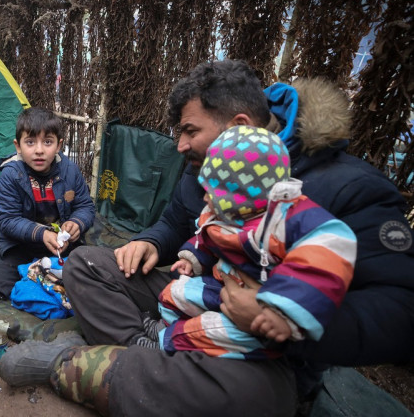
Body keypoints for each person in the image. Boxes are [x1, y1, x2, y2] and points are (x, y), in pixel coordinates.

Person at [0, 59, 414, 416]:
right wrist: (150, 243)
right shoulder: (204, 166)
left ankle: (75, 366)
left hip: (265, 351)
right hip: (197, 295)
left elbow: (400, 310)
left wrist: (279, 318)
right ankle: (146, 353)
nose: (179, 145)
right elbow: (175, 222)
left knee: (254, 399)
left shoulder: (349, 188)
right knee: (87, 263)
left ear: (238, 126)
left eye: (188, 131)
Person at [150, 125, 356, 360]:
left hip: (263, 312)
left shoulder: (288, 220)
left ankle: (166, 344)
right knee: (173, 294)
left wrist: (284, 311)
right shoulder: (229, 212)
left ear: (242, 194)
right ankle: (163, 330)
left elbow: (325, 254)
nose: (206, 198)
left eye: (214, 193)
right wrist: (193, 257)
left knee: (210, 330)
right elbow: (208, 234)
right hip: (222, 288)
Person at [0, 107, 95, 301]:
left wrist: (77, 223)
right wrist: (41, 234)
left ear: (59, 146)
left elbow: (85, 206)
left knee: (90, 269)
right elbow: (8, 220)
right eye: (30, 142)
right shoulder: (10, 175)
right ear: (18, 146)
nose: (39, 150)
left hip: (61, 244)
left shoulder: (70, 171)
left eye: (48, 142)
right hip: (21, 245)